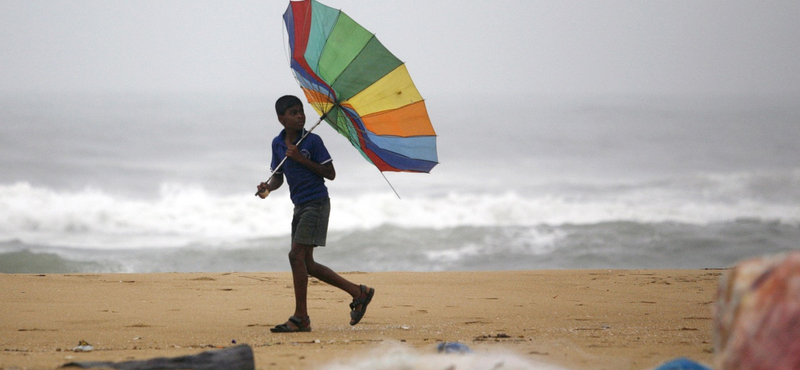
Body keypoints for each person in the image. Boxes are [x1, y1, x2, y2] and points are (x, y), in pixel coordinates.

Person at [257, 95, 375, 333]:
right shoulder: (277, 144)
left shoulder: (312, 141)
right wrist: (268, 187)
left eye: (301, 111)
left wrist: (301, 159)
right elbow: (279, 176)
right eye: (293, 112)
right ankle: (358, 292)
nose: (300, 116)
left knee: (295, 256)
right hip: (299, 205)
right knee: (306, 263)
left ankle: (301, 318)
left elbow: (330, 173)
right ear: (281, 119)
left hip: (317, 203)